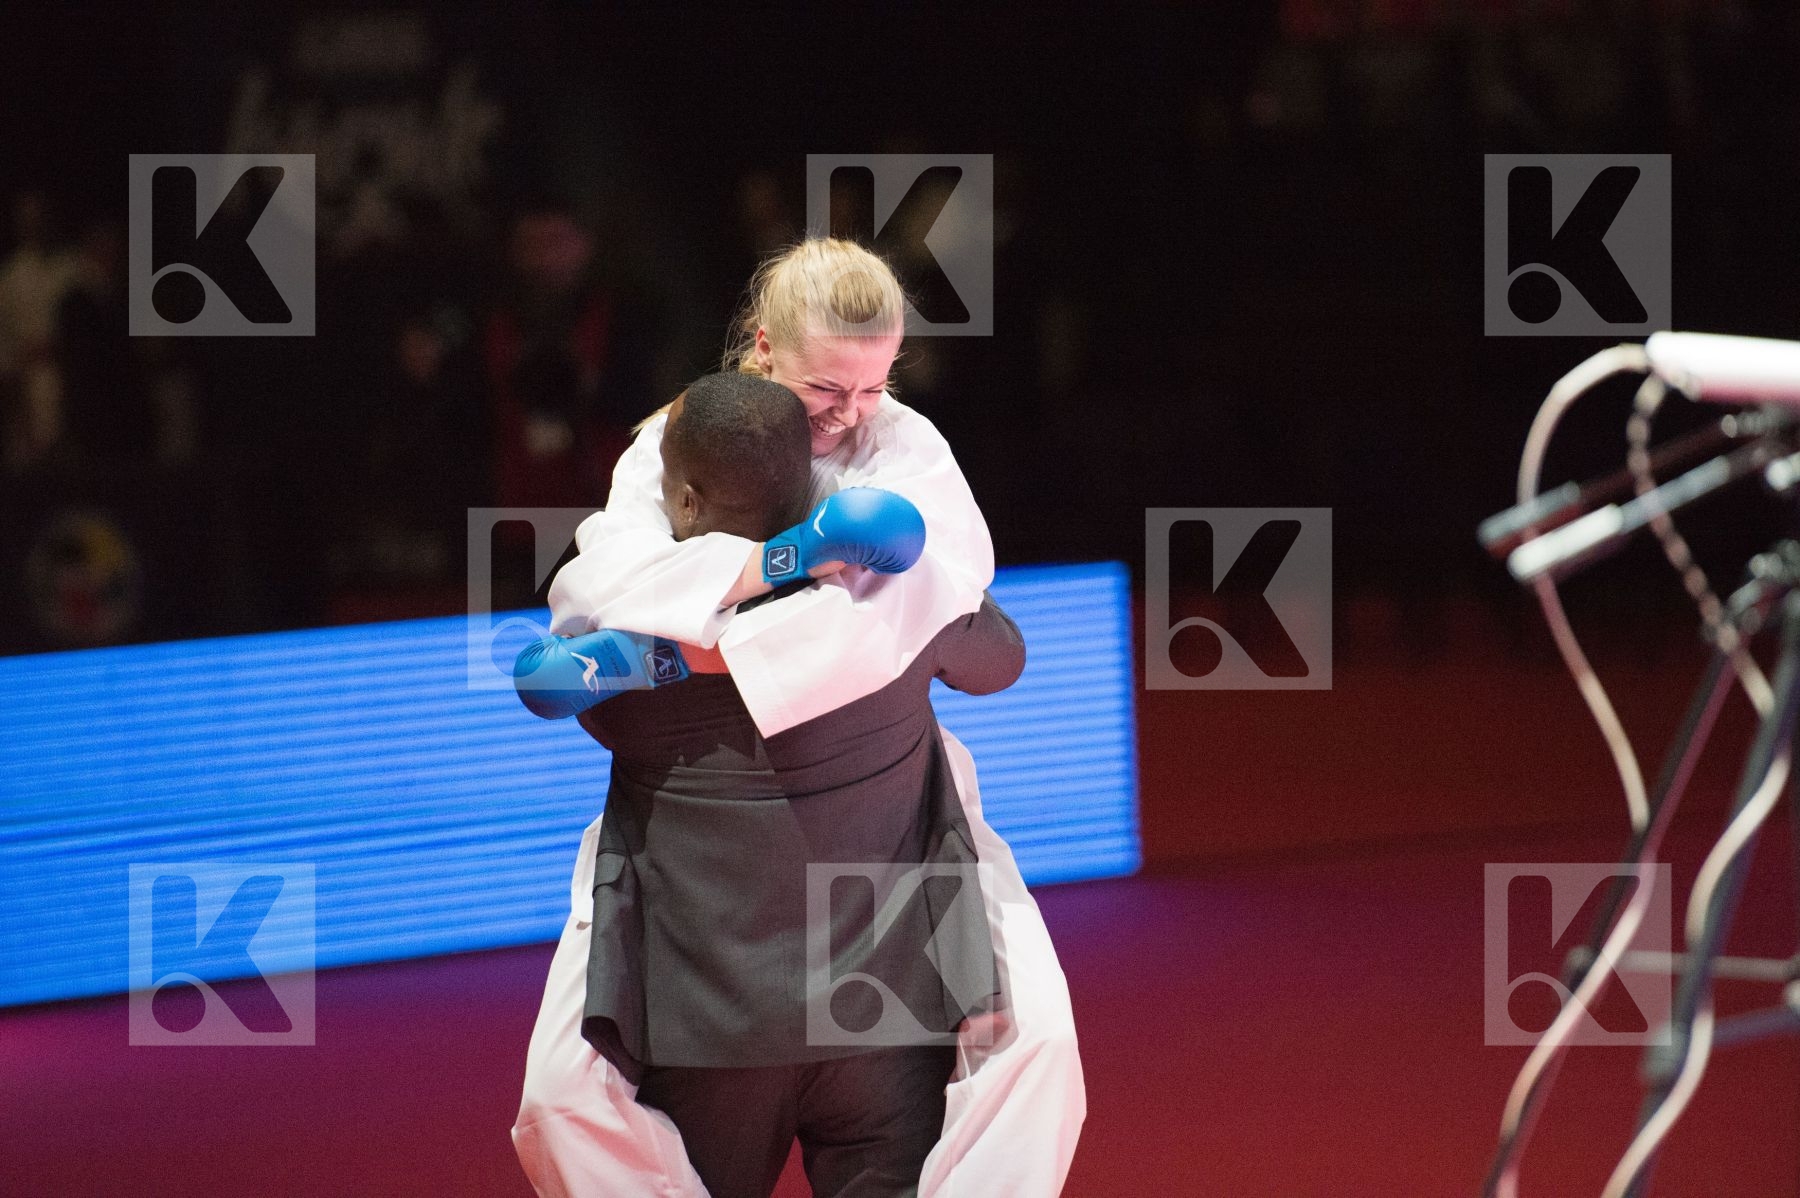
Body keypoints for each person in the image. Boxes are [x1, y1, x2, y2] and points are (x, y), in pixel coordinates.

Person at [512, 238, 1084, 1197]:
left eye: (875, 385)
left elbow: (937, 594)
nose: (853, 414)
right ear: (766, 347)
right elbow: (606, 587)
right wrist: (796, 561)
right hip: (690, 806)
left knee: (1044, 1052)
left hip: (891, 790)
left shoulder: (904, 441)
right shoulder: (673, 437)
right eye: (829, 388)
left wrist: (684, 652)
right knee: (557, 1101)